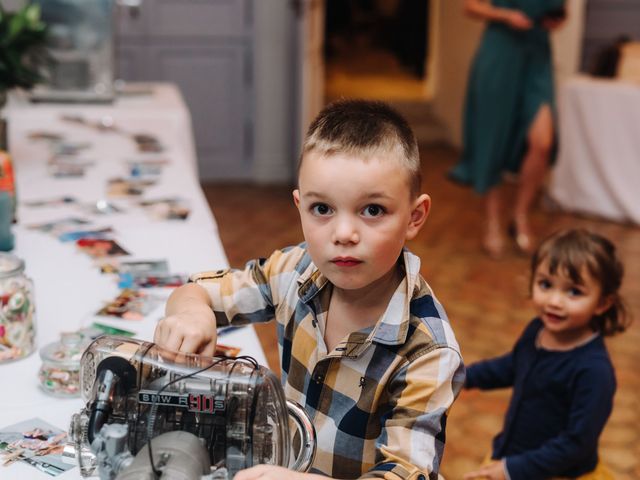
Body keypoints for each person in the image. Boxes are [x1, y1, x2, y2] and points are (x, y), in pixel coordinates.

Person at [154, 99, 465, 480]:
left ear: (414, 217)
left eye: (372, 210)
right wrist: (191, 312)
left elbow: (406, 474)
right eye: (323, 209)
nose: (344, 234)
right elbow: (199, 290)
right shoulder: (293, 270)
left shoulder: (428, 351)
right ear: (300, 206)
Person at [463, 229, 631, 480]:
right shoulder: (537, 330)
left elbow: (577, 443)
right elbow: (513, 365)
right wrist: (463, 376)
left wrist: (511, 470)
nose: (554, 301)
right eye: (546, 284)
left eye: (574, 292)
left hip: (555, 473)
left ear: (602, 303)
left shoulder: (594, 371)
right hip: (514, 456)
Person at [448, 0, 567, 258]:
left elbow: (560, 13)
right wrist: (505, 15)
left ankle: (520, 215)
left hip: (537, 55)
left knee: (543, 141)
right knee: (492, 137)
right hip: (500, 49)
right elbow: (470, 6)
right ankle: (492, 221)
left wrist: (555, 20)